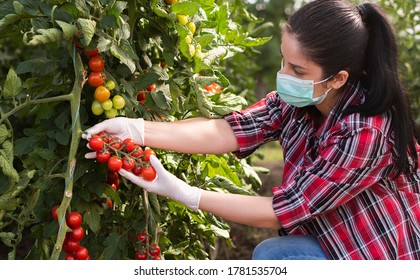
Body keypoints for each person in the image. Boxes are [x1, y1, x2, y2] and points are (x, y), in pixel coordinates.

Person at [82, 0, 420, 260]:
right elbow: (227, 131)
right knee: (274, 255)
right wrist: (138, 130)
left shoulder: (367, 132)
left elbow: (282, 212)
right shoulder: (297, 102)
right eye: (284, 62)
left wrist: (184, 192)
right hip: (331, 234)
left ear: (338, 78)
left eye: (298, 70)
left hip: (374, 250)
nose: (284, 75)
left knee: (273, 256)